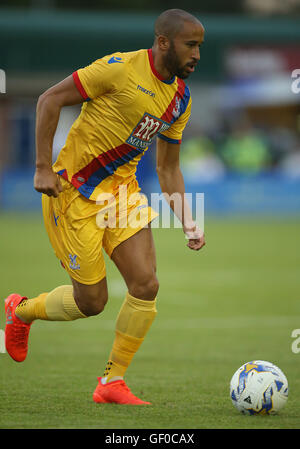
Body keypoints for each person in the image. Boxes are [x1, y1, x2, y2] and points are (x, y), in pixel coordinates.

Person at [4, 9, 205, 405]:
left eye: (200, 45)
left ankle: (111, 382)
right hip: (73, 192)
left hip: (122, 194)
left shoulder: (180, 99)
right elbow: (50, 100)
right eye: (191, 45)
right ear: (163, 42)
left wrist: (187, 221)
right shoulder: (118, 69)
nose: (197, 54)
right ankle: (21, 311)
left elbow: (167, 168)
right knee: (91, 302)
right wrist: (43, 166)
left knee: (146, 284)